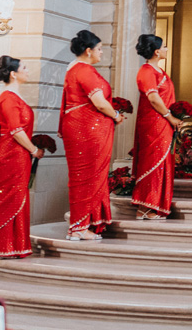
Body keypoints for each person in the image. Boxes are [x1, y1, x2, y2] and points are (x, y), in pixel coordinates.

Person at [61, 30, 125, 241]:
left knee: (83, 177)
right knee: (86, 177)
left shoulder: (74, 70)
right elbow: (98, 102)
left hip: (81, 128)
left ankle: (81, 225)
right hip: (87, 130)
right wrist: (116, 115)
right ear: (88, 51)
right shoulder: (84, 71)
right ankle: (79, 227)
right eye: (99, 49)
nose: (102, 53)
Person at [0, 56, 44, 259]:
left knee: (18, 198)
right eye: (24, 68)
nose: (28, 71)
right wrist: (33, 150)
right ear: (13, 73)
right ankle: (4, 246)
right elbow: (16, 130)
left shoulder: (13, 97)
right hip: (11, 155)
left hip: (17, 155)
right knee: (9, 199)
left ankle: (15, 245)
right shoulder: (8, 98)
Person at [132, 34, 182, 219]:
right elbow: (153, 98)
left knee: (162, 163)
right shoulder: (146, 71)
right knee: (153, 162)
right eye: (165, 47)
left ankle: (154, 206)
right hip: (153, 123)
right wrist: (170, 117)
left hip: (164, 122)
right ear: (156, 51)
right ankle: (144, 207)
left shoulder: (159, 72)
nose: (167, 49)